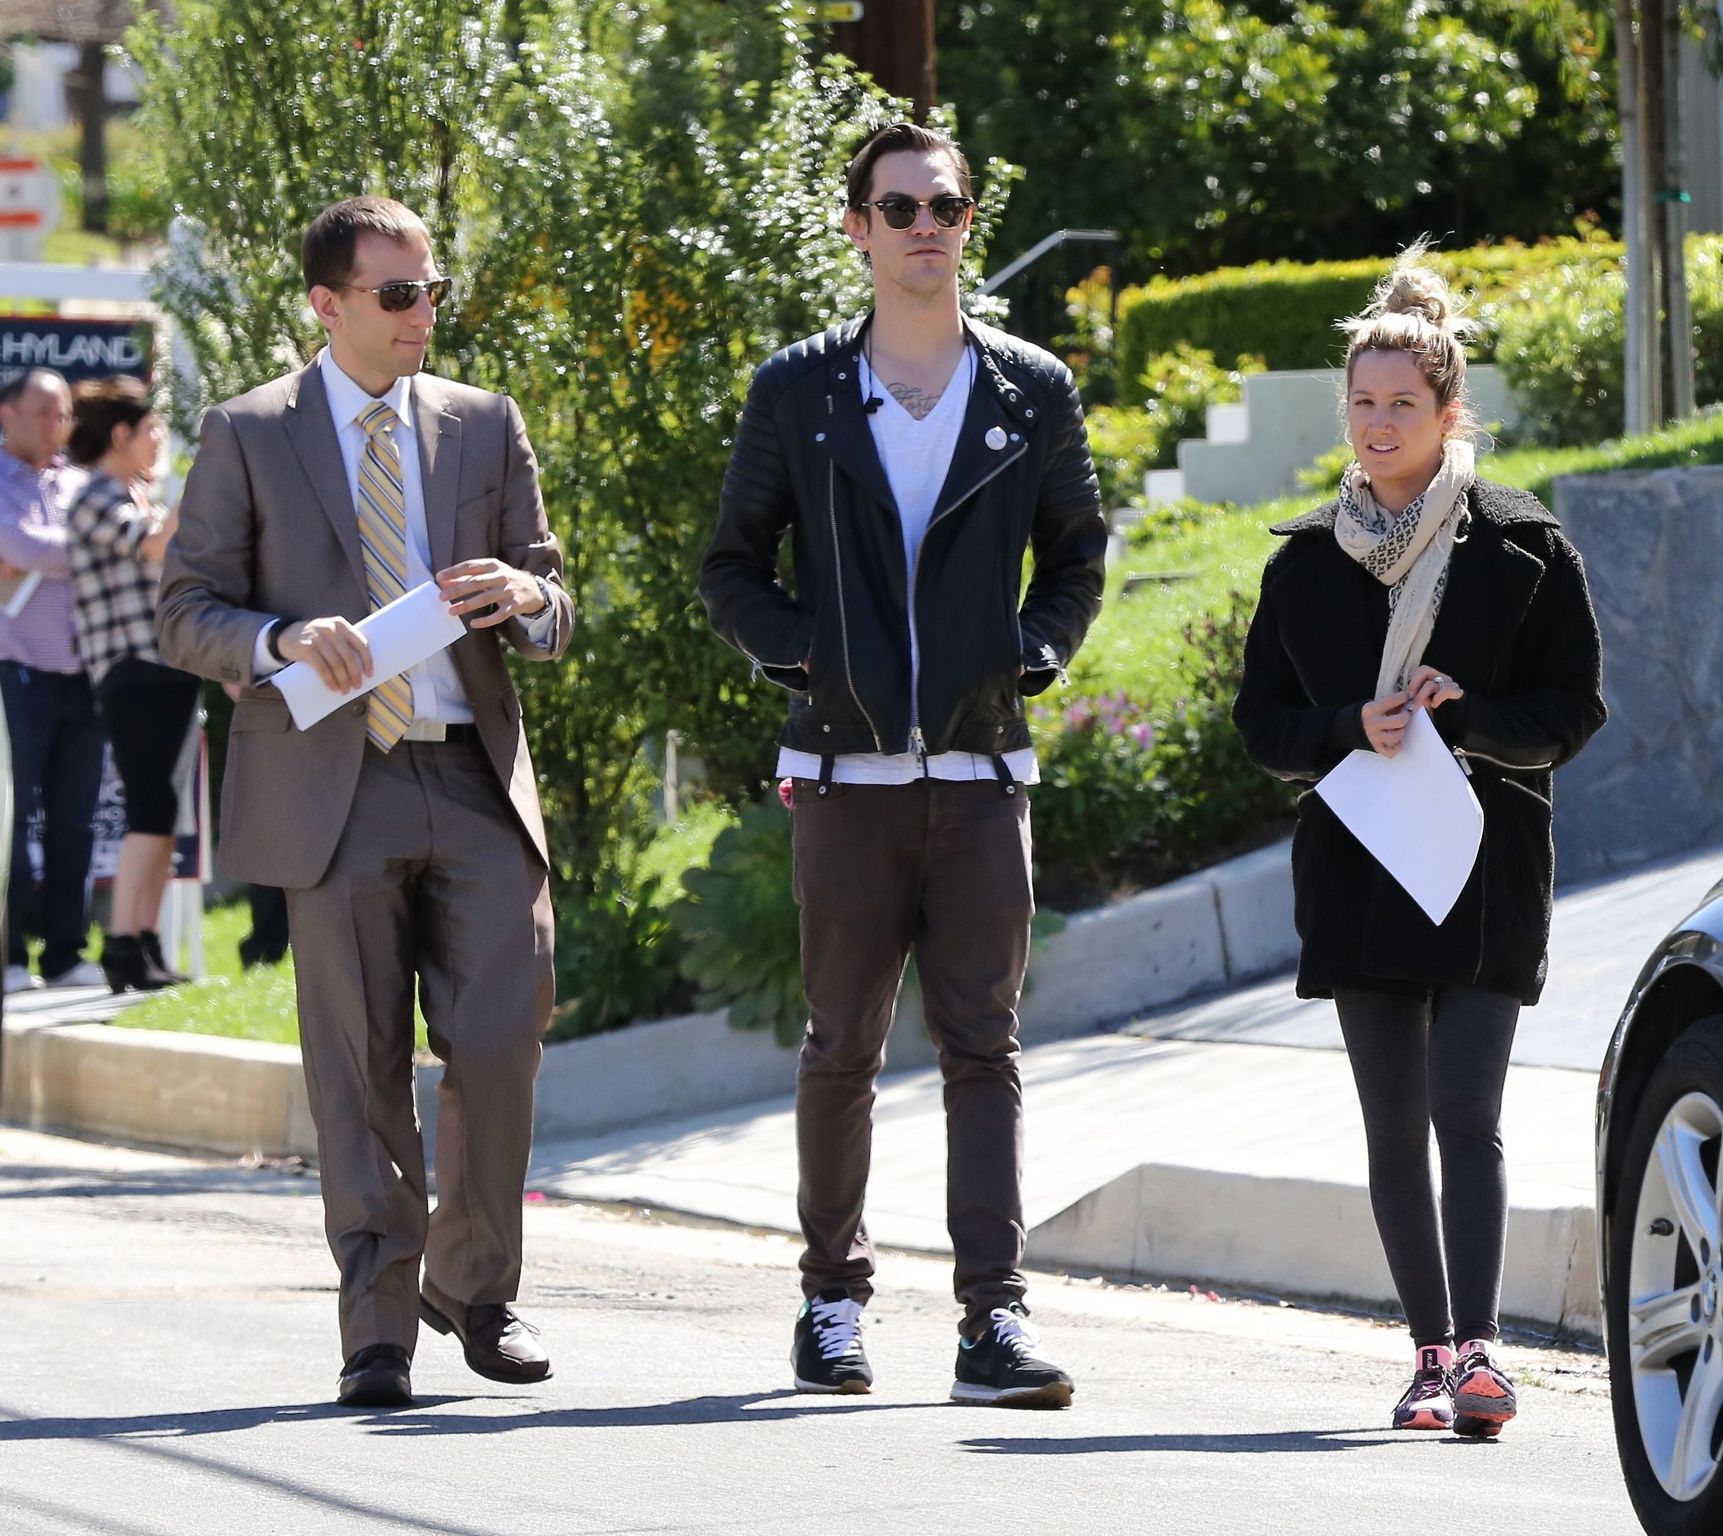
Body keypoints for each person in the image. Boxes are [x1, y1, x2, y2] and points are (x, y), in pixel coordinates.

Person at [700, 122, 1106, 1408]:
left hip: (985, 780)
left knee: (984, 1049)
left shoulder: (1029, 388)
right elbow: (730, 569)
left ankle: (994, 1320)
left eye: (946, 204)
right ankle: (830, 1304)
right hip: (843, 779)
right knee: (841, 1048)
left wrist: (1028, 656)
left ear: (966, 222)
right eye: (900, 205)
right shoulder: (800, 392)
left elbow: (1079, 555)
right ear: (856, 229)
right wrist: (811, 659)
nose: (925, 223)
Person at [157, 195, 574, 1409]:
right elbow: (188, 612)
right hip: (331, 785)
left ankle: (474, 1285)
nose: (422, 313)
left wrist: (527, 598)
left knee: (502, 1040)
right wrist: (285, 635)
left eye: (431, 288)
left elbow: (553, 599)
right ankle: (377, 1326)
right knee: (359, 1065)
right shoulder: (247, 432)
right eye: (397, 294)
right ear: (326, 305)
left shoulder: (483, 425)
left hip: (472, 776)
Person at [1233, 248, 1606, 1438]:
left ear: (1450, 414)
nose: (1379, 421)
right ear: (1343, 411)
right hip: (1354, 869)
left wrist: (1471, 719)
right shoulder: (1301, 562)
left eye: (1404, 403)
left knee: (1465, 1112)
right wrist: (1351, 725)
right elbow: (1262, 728)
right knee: (1390, 1120)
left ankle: (1487, 1351)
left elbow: (1572, 712)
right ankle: (1430, 1357)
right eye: (1363, 401)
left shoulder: (1524, 546)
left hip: (1484, 867)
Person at [63, 376, 195, 993]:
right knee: (149, 808)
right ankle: (121, 943)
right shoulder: (93, 496)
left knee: (163, 812)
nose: (159, 445)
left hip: (166, 667)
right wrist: (202, 488)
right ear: (122, 434)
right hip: (130, 669)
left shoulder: (138, 495)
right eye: (152, 433)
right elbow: (149, 546)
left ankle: (142, 941)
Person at [0, 369, 106, 993]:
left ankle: (65, 954)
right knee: (10, 821)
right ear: (6, 416)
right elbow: (18, 541)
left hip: (81, 674)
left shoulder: (82, 485)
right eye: (43, 412)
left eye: (63, 413)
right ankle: (9, 956)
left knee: (76, 818)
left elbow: (56, 551)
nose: (56, 424)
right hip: (14, 675)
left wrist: (40, 551)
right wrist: (63, 550)